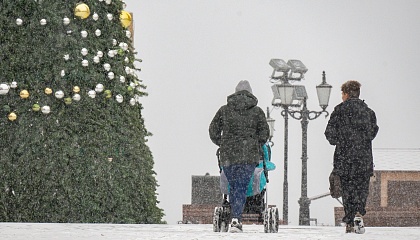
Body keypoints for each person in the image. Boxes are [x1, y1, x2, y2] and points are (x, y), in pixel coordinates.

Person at [209, 80, 269, 233]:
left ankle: (235, 216)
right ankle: (236, 219)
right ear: (251, 93)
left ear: (235, 92)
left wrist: (221, 143)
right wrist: (255, 144)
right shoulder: (257, 112)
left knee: (234, 186)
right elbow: (264, 134)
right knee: (241, 186)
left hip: (228, 154)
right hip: (248, 155)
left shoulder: (224, 110)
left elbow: (213, 129)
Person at [324, 80, 379, 233]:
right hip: (363, 158)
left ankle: (349, 218)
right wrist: (360, 139)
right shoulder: (368, 112)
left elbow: (329, 134)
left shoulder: (339, 110)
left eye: (342, 93)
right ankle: (359, 212)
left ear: (346, 94)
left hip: (344, 158)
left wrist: (341, 139)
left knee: (347, 189)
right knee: (361, 188)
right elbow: (372, 133)